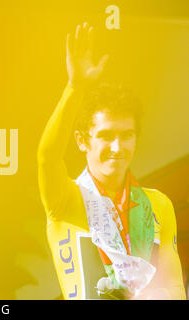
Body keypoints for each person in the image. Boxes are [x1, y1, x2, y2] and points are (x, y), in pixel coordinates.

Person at [37, 22, 186, 300]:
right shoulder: (66, 198)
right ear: (82, 140)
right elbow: (48, 156)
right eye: (106, 136)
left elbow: (177, 290)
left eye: (126, 135)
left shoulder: (158, 205)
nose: (117, 147)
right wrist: (74, 88)